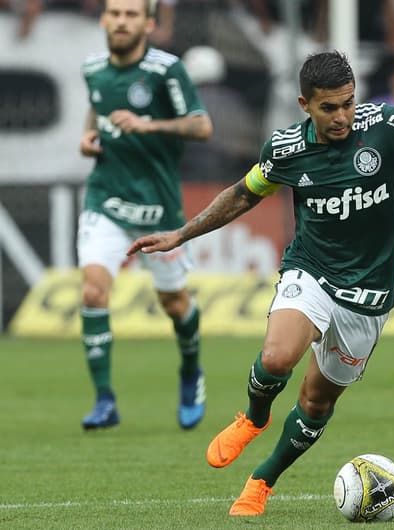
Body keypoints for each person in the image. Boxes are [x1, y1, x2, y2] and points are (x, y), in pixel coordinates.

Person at [128, 50, 394, 516]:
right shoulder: (286, 150)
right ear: (305, 104)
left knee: (315, 404)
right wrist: (181, 233)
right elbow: (241, 195)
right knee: (278, 356)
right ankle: (254, 417)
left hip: (369, 297)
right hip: (311, 272)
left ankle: (262, 480)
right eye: (329, 108)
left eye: (348, 103)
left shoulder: (385, 124)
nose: (342, 116)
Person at [78, 0, 213, 430]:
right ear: (104, 19)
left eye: (131, 14)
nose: (121, 21)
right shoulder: (93, 68)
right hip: (108, 200)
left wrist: (149, 124)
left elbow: (201, 125)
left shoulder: (165, 70)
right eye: (114, 13)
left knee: (173, 303)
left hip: (158, 207)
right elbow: (98, 108)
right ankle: (104, 401)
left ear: (149, 23)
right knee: (93, 292)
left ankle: (191, 372)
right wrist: (87, 136)